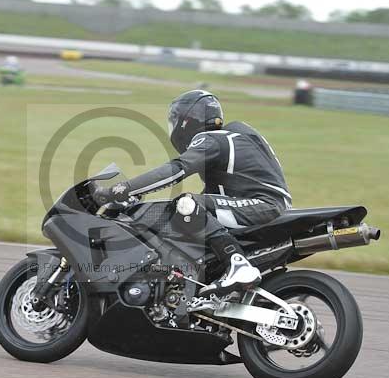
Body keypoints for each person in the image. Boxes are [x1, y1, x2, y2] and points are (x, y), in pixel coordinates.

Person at [93, 89, 292, 297]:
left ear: (186, 121)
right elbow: (209, 200)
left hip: (261, 205)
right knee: (188, 213)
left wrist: (123, 189)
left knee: (186, 204)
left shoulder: (212, 140)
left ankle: (238, 265)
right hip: (264, 204)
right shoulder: (233, 137)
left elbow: (176, 170)